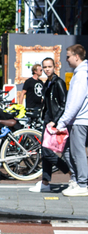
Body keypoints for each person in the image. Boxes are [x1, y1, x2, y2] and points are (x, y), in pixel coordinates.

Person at [30, 57, 70, 193]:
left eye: (49, 67)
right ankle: (45, 183)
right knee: (45, 152)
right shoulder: (48, 82)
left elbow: (64, 104)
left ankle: (70, 172)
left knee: (47, 152)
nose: (47, 69)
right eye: (45, 67)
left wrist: (55, 121)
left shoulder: (58, 82)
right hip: (47, 121)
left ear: (55, 67)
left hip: (54, 122)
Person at [54, 44, 88, 196]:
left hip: (79, 119)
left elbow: (76, 101)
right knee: (68, 150)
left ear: (76, 56)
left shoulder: (81, 75)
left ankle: (82, 184)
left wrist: (63, 121)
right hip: (76, 119)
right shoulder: (79, 73)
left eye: (68, 56)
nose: (66, 59)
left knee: (77, 151)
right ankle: (76, 179)